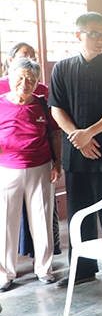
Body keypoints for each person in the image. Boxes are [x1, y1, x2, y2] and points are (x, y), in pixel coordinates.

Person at [50, 12, 102, 290]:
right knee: (79, 213)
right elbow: (56, 108)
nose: (100, 40)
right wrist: (78, 138)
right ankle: (83, 268)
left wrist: (90, 134)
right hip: (75, 153)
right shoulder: (61, 69)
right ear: (78, 35)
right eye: (94, 34)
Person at [0, 59, 62, 291]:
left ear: (37, 83)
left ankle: (44, 269)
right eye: (20, 77)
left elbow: (55, 135)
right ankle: (5, 274)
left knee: (42, 219)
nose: (24, 84)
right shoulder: (0, 104)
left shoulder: (43, 104)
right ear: (10, 77)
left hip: (41, 167)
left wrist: (58, 163)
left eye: (31, 80)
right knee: (5, 222)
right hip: (7, 169)